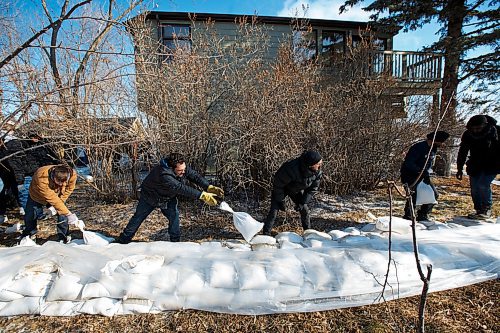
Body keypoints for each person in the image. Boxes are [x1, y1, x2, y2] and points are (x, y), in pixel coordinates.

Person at [115, 152, 224, 244]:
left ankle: (175, 243)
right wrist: (202, 195)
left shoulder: (180, 167)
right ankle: (123, 240)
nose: (183, 172)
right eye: (180, 171)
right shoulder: (164, 174)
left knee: (174, 216)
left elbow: (194, 175)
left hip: (167, 197)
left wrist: (208, 186)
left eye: (184, 169)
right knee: (138, 217)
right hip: (150, 196)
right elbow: (180, 188)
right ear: (172, 168)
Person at [263, 150, 323, 235]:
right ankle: (266, 233)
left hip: (295, 190)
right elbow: (278, 184)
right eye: (318, 164)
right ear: (310, 164)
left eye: (320, 163)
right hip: (280, 189)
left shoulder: (317, 172)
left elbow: (313, 189)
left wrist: (303, 202)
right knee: (274, 211)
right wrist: (280, 200)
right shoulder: (291, 168)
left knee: (304, 210)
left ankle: (308, 233)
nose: (320, 166)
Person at [19, 164, 78, 243]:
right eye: (59, 181)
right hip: (37, 195)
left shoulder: (72, 174)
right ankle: (29, 234)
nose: (61, 184)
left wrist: (61, 203)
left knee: (62, 214)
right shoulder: (41, 177)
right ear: (53, 176)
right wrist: (68, 213)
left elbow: (69, 189)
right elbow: (52, 198)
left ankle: (63, 236)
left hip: (57, 195)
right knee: (31, 215)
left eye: (64, 182)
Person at [456, 115, 499, 219]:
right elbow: (463, 151)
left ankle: (486, 208)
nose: (475, 131)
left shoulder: (496, 131)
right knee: (475, 188)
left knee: (483, 184)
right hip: (475, 164)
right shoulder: (468, 134)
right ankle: (479, 210)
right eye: (473, 129)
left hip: (493, 163)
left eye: (478, 128)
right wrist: (459, 168)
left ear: (485, 125)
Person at [401, 130, 450, 221]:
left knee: (434, 194)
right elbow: (409, 163)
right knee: (413, 196)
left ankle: (423, 215)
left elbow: (429, 164)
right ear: (435, 140)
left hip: (423, 175)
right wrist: (421, 171)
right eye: (441, 142)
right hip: (410, 175)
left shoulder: (433, 148)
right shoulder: (418, 148)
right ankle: (408, 216)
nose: (442, 144)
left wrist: (426, 173)